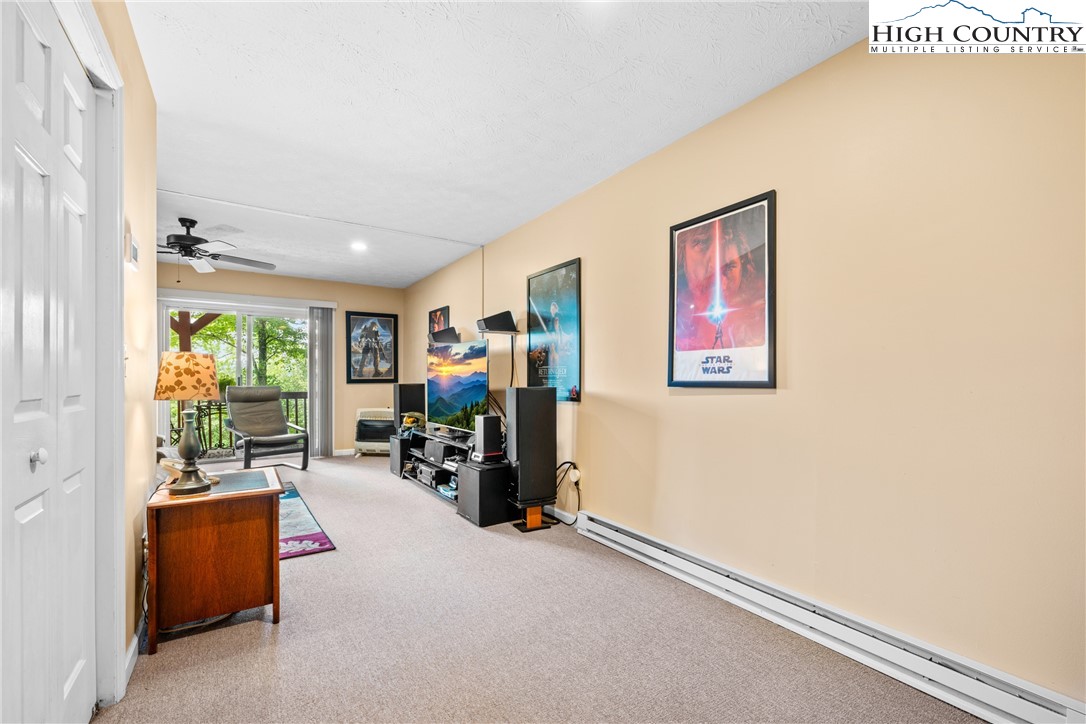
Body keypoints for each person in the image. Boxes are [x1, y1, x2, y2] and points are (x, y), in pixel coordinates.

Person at [675, 218, 765, 351]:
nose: (715, 267)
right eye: (701, 243)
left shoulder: (756, 322)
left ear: (743, 269)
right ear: (682, 255)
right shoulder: (680, 323)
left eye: (729, 267)